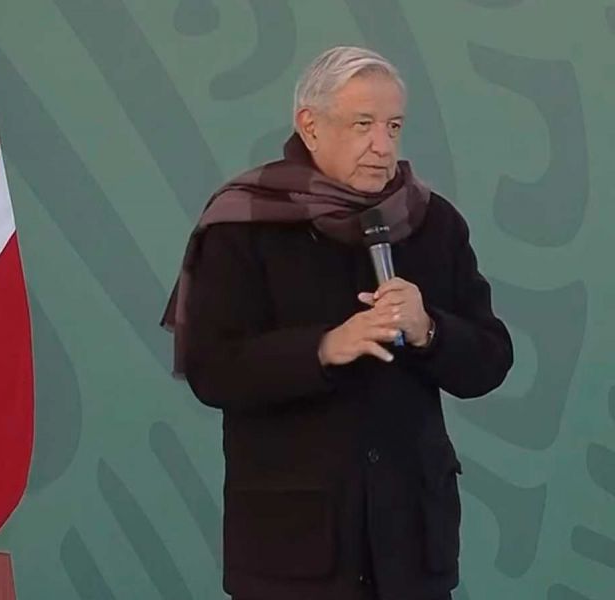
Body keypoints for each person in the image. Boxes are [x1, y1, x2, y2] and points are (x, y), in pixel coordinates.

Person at [162, 46, 513, 600]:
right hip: (293, 553)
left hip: (410, 550)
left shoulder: (432, 222)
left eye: (393, 126)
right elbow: (212, 370)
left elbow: (490, 361)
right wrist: (324, 348)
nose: (383, 146)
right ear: (311, 126)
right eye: (363, 125)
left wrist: (429, 329)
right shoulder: (242, 223)